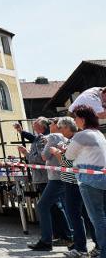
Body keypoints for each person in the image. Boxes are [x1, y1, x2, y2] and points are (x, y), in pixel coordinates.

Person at [48, 116, 93, 257]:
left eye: (61, 128)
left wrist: (56, 152)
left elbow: (66, 163)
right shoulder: (77, 139)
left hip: (73, 183)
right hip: (79, 182)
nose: (60, 131)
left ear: (67, 127)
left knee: (75, 216)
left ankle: (80, 249)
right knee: (86, 216)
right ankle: (94, 246)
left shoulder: (74, 140)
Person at [66, 106, 106, 257]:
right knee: (102, 217)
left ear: (82, 119)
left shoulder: (81, 135)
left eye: (75, 117)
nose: (74, 121)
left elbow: (69, 156)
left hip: (89, 181)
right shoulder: (98, 133)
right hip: (102, 177)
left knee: (97, 219)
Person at [28, 118, 74, 251]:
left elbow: (44, 156)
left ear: (57, 126)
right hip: (62, 176)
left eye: (52, 123)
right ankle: (67, 237)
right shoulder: (63, 137)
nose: (50, 125)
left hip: (56, 178)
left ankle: (46, 241)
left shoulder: (53, 136)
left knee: (43, 205)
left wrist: (43, 149)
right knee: (59, 206)